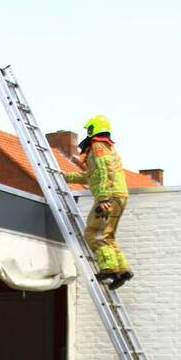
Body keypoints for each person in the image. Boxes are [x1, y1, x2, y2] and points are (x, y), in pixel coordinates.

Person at [63, 115, 133, 290]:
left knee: (94, 233)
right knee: (108, 235)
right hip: (118, 195)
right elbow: (92, 175)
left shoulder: (98, 146)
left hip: (109, 197)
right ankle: (123, 270)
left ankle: (109, 269)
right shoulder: (107, 147)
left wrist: (103, 198)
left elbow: (104, 170)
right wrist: (65, 177)